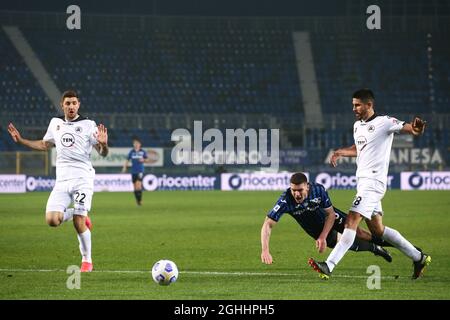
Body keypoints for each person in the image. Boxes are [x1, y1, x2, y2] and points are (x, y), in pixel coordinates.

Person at [308, 88, 430, 280]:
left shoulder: (384, 122)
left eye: (357, 105)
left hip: (373, 182)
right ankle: (418, 257)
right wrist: (340, 152)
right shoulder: (357, 126)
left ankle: (329, 265)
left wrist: (417, 127)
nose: (354, 108)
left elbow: (411, 129)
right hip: (363, 182)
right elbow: (360, 148)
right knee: (378, 230)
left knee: (351, 220)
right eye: (353, 105)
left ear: (369, 105)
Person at [7, 90, 108, 272]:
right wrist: (21, 140)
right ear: (62, 105)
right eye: (67, 103)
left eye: (74, 103)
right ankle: (80, 214)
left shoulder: (88, 124)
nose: (71, 106)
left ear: (78, 105)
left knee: (78, 221)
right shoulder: (55, 123)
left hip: (83, 178)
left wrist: (104, 144)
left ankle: (87, 260)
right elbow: (44, 145)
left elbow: (103, 153)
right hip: (61, 181)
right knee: (52, 220)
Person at [261, 172, 393, 265]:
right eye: (293, 190)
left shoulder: (318, 190)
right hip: (314, 228)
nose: (296, 194)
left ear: (307, 186)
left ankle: (399, 245)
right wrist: (265, 250)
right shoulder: (285, 201)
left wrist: (323, 237)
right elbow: (268, 224)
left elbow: (330, 214)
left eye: (300, 190)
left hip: (330, 217)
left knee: (359, 233)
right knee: (348, 245)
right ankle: (376, 249)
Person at [121, 137, 149, 205]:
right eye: (135, 143)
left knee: (138, 186)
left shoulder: (142, 152)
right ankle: (138, 201)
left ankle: (140, 201)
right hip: (133, 171)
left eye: (137, 143)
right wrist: (124, 167)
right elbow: (127, 160)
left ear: (140, 144)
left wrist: (143, 160)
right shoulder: (132, 152)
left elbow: (147, 160)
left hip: (140, 171)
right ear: (133, 144)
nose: (136, 144)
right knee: (135, 187)